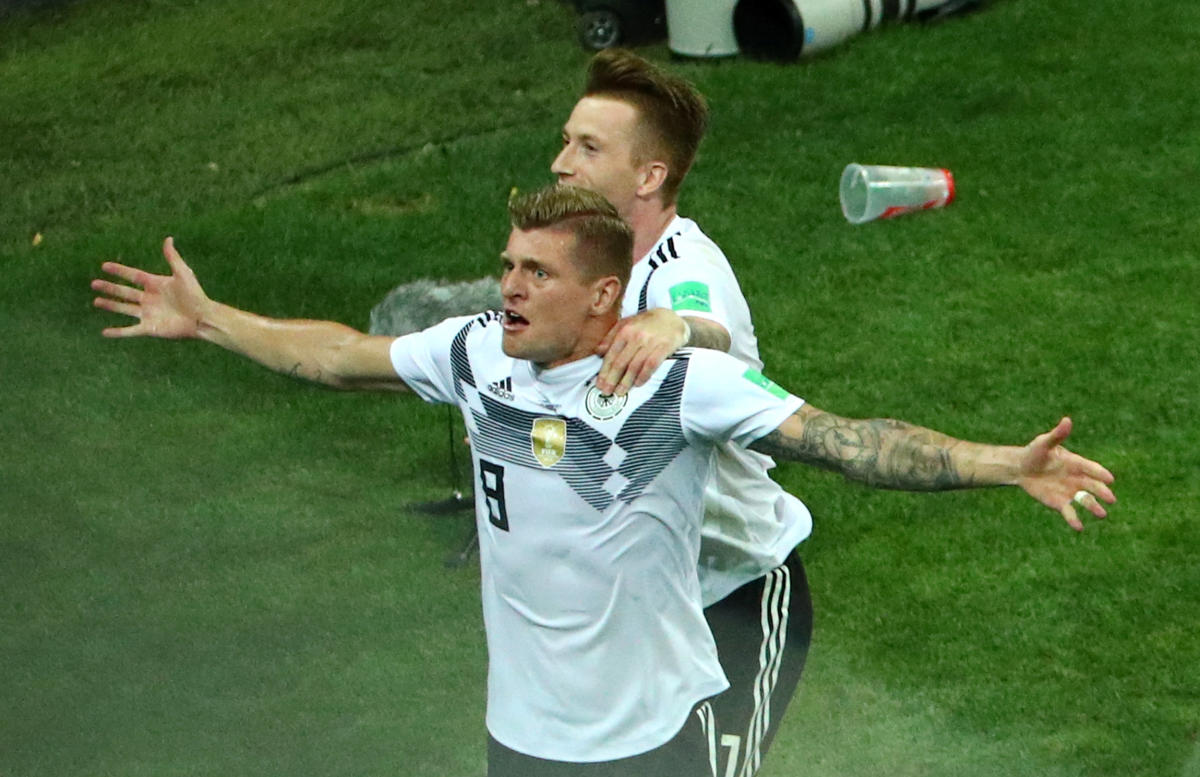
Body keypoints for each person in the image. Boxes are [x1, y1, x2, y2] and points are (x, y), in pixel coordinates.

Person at [92, 184, 1116, 776]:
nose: (509, 288)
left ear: (602, 295)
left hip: (654, 744)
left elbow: (849, 442)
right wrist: (212, 318)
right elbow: (336, 356)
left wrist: (1001, 465)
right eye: (507, 266)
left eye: (536, 274)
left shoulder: (679, 383)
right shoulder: (476, 353)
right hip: (522, 741)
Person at [552, 49, 813, 774]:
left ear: (649, 176)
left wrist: (674, 328)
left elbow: (706, 326)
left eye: (587, 146)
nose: (560, 162)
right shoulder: (584, 268)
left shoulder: (683, 271)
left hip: (735, 595)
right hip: (638, 610)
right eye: (566, 140)